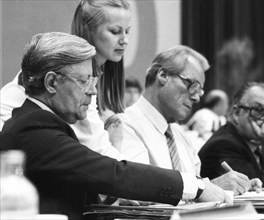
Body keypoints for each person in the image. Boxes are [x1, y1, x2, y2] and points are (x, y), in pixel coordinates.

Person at [0, 32, 231, 220]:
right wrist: (195, 186)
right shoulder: (34, 129)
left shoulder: (40, 124)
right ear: (51, 82)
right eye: (85, 81)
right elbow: (114, 173)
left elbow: (83, 184)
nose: (92, 91)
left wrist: (112, 197)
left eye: (94, 81)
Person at [107, 45, 262, 196]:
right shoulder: (124, 126)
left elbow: (193, 195)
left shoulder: (181, 135)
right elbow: (135, 193)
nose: (196, 97)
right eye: (192, 85)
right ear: (163, 76)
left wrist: (222, 188)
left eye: (200, 91)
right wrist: (206, 188)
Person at [0, 0, 131, 160]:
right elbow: (100, 150)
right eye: (115, 31)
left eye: (127, 31)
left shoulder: (90, 76)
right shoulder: (66, 74)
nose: (125, 40)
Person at [199, 81, 264, 189]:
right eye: (258, 110)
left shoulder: (263, 143)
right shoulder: (223, 145)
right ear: (236, 114)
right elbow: (263, 197)